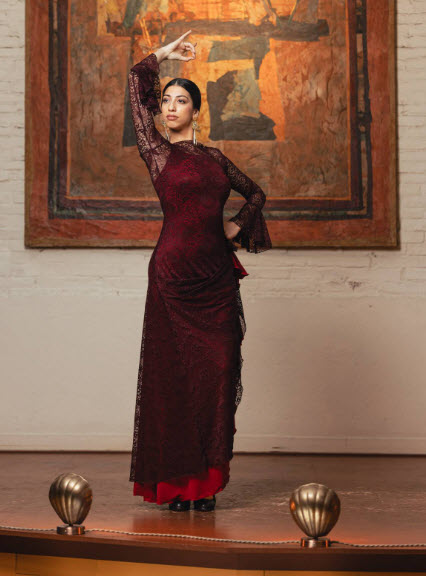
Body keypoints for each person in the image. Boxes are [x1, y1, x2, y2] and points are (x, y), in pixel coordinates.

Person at [128, 30, 272, 512]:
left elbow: (256, 194)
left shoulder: (215, 159)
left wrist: (235, 226)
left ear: (195, 110)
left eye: (181, 100)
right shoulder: (156, 153)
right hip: (172, 277)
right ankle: (175, 485)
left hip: (215, 280)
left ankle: (206, 484)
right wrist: (165, 54)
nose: (170, 107)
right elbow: (136, 84)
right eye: (166, 100)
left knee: (217, 376)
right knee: (173, 380)